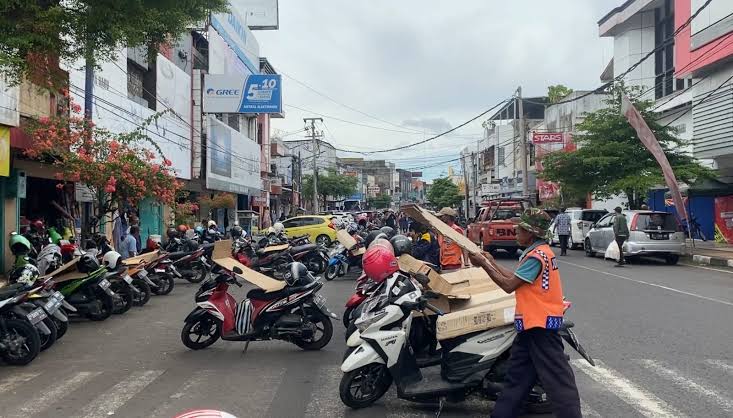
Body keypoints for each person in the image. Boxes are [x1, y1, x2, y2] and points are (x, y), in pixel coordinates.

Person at [468, 208, 581, 418]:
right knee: (517, 378)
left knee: (558, 381)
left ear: (530, 233)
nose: (515, 231)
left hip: (541, 326)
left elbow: (509, 285)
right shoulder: (537, 252)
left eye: (519, 228)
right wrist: (491, 261)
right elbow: (517, 278)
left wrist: (484, 264)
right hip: (531, 326)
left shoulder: (536, 257)